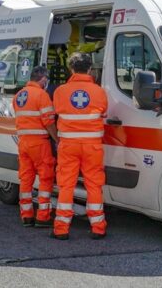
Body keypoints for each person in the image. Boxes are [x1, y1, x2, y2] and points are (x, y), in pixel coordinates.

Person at [51, 53, 108, 240]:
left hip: (68, 146)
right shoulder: (99, 91)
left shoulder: (60, 91)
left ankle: (61, 229)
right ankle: (98, 227)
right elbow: (104, 112)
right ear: (90, 69)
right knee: (94, 185)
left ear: (71, 69)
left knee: (66, 185)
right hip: (92, 147)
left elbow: (57, 112)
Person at [12, 66, 58, 228]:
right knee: (45, 178)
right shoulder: (42, 95)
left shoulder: (19, 95)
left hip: (23, 142)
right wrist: (57, 139)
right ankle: (43, 216)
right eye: (47, 80)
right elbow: (49, 122)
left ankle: (26, 215)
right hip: (39, 142)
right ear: (43, 79)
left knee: (26, 178)